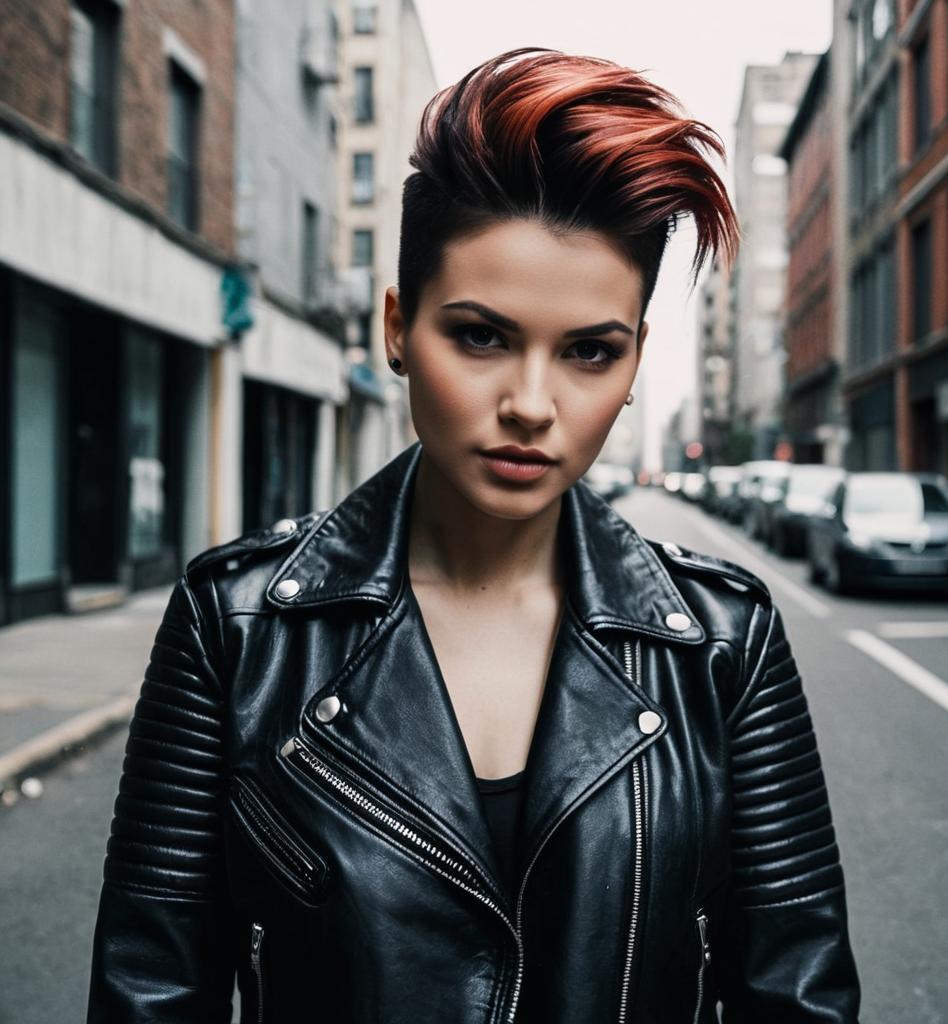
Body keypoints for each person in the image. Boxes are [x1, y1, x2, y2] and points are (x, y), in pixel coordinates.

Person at [87, 46, 860, 1023]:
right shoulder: (235, 625)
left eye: (588, 351)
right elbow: (151, 991)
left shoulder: (722, 641)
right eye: (482, 336)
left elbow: (795, 991)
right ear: (397, 328)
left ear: (633, 364)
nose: (532, 405)